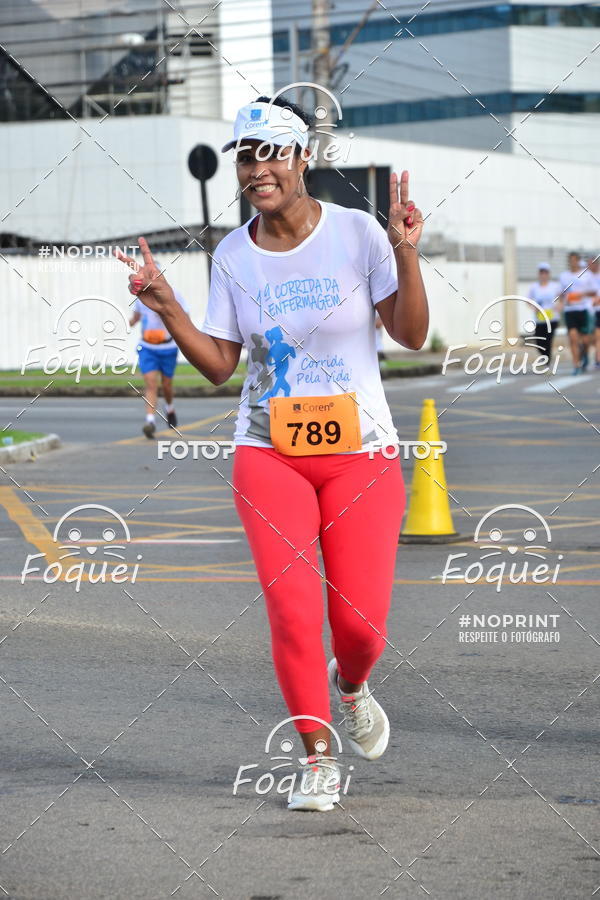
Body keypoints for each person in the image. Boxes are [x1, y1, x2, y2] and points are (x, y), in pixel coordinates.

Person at [116, 95, 428, 811]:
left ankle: (350, 686)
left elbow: (410, 334)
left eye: (272, 152)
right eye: (247, 156)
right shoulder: (233, 254)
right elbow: (222, 365)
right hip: (268, 452)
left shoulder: (357, 234)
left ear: (302, 158)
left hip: (362, 453)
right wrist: (169, 308)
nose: (258, 169)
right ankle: (317, 757)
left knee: (359, 625)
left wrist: (406, 251)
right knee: (291, 611)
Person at [128, 267, 189, 438]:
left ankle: (169, 408)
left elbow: (185, 319)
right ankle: (150, 421)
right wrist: (127, 323)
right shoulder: (141, 297)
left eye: (153, 275)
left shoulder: (174, 294)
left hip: (168, 347)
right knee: (151, 384)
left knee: (167, 386)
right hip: (147, 348)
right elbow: (136, 318)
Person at [558, 251, 595, 374]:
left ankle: (584, 356)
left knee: (585, 341)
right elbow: (561, 293)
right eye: (570, 261)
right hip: (570, 310)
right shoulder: (564, 276)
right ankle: (576, 365)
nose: (573, 263)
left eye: (575, 260)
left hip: (582, 309)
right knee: (573, 339)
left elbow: (594, 292)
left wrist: (582, 294)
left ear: (578, 261)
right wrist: (561, 300)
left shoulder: (587, 275)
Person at [526, 262, 561, 363]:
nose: (543, 275)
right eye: (541, 272)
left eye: (545, 272)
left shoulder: (554, 286)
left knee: (548, 340)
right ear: (539, 274)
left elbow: (562, 297)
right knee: (539, 342)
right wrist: (534, 308)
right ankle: (545, 357)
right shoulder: (534, 287)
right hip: (539, 318)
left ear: (548, 274)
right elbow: (528, 300)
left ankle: (547, 362)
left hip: (552, 318)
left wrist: (560, 306)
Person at [588, 255, 600, 369]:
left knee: (597, 337)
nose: (591, 266)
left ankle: (597, 359)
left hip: (597, 310)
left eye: (593, 263)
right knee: (592, 337)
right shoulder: (586, 277)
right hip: (589, 311)